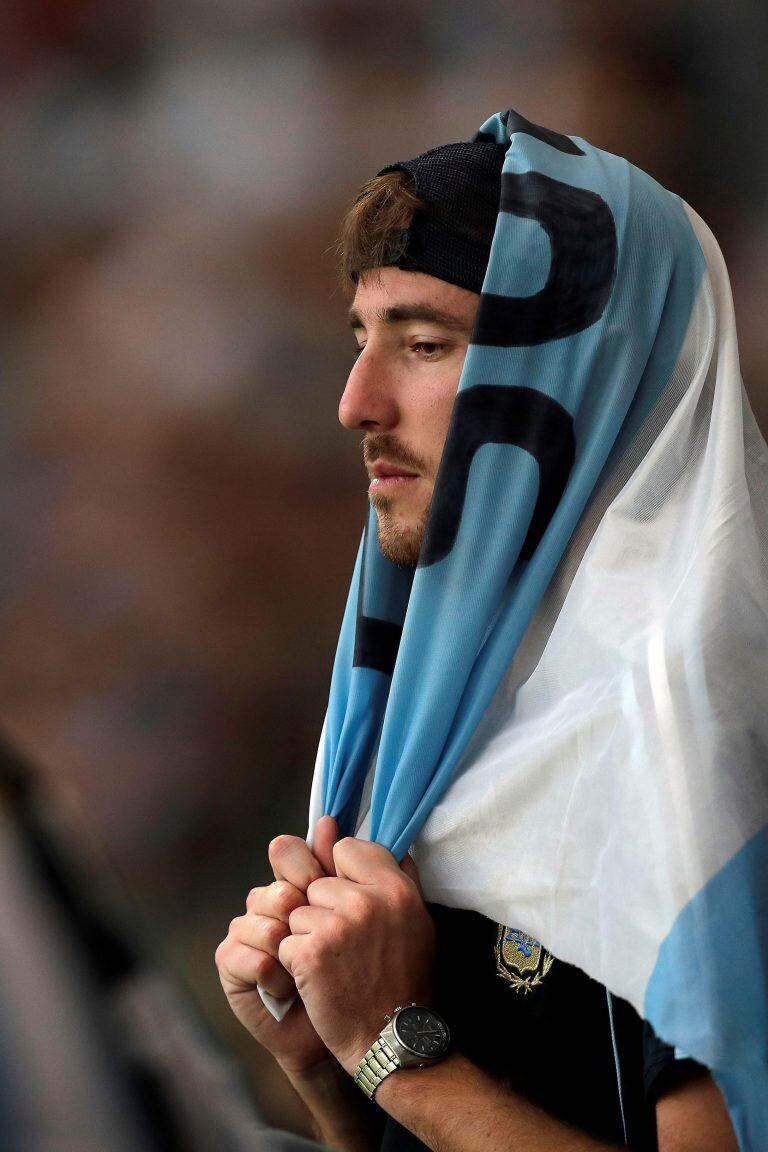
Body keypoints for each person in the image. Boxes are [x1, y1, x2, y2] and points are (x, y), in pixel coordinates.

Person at [215, 114, 759, 1151]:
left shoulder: (704, 723)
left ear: (596, 375)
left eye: (424, 343)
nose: (355, 404)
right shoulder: (428, 712)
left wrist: (391, 1051)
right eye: (360, 337)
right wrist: (333, 1074)